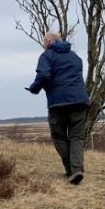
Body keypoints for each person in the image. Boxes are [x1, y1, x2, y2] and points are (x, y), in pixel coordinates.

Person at [27, 31, 91, 185]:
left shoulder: (47, 56)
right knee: (76, 137)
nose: (43, 42)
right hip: (80, 101)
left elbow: (43, 75)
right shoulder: (75, 57)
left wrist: (34, 88)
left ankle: (71, 170)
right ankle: (76, 171)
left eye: (44, 40)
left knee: (58, 136)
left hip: (58, 102)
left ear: (49, 41)